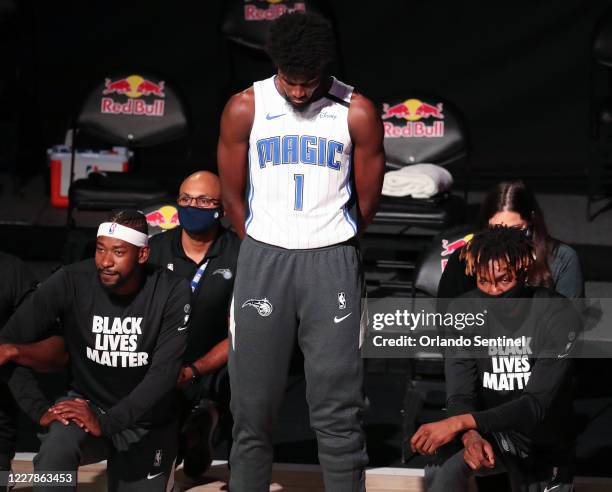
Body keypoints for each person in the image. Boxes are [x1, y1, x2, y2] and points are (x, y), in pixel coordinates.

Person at [217, 11, 385, 492]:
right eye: (290, 81)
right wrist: (262, 242)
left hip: (330, 262)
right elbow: (232, 197)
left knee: (338, 409)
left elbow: (367, 201)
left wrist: (329, 237)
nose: (297, 92)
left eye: (307, 82)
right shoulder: (245, 107)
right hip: (264, 259)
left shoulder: (356, 111)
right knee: (251, 407)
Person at [0, 210, 191, 492]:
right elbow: (6, 343)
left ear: (142, 255)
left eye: (118, 252)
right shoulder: (72, 279)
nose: (105, 261)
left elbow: (163, 375)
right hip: (86, 407)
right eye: (100, 249)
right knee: (54, 457)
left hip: (146, 419)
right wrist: (38, 409)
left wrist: (109, 422)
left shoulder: (171, 290)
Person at [412, 226, 578, 492]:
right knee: (442, 470)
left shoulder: (557, 314)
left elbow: (534, 406)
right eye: (484, 281)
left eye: (504, 280)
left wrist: (458, 423)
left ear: (524, 274)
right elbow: (460, 396)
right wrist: (470, 437)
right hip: (490, 434)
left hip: (543, 440)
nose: (494, 291)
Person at [148, 170, 240, 479]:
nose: (192, 206)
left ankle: (212, 417)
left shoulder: (240, 253)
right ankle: (193, 434)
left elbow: (240, 333)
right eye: (186, 199)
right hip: (161, 361)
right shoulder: (154, 250)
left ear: (222, 209)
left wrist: (194, 370)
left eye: (203, 201)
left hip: (218, 364)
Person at [438, 180, 584, 299]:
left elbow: (569, 322)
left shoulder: (562, 259)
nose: (505, 238)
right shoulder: (465, 258)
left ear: (531, 220)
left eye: (514, 230)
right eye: (496, 229)